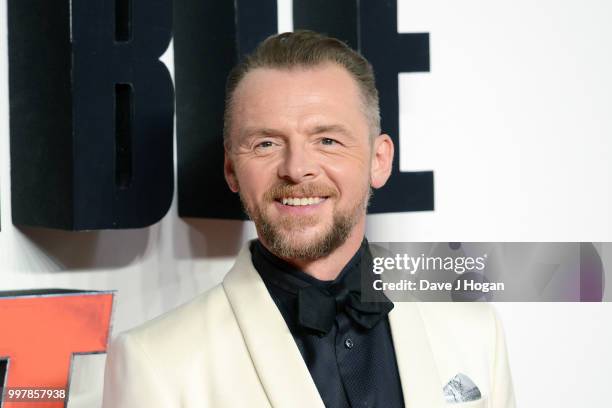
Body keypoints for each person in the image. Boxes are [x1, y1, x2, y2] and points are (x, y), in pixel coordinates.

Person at [102, 31, 515, 408]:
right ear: (231, 170)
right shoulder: (156, 363)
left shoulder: (474, 330)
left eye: (328, 140)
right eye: (265, 143)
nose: (297, 169)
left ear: (379, 160)